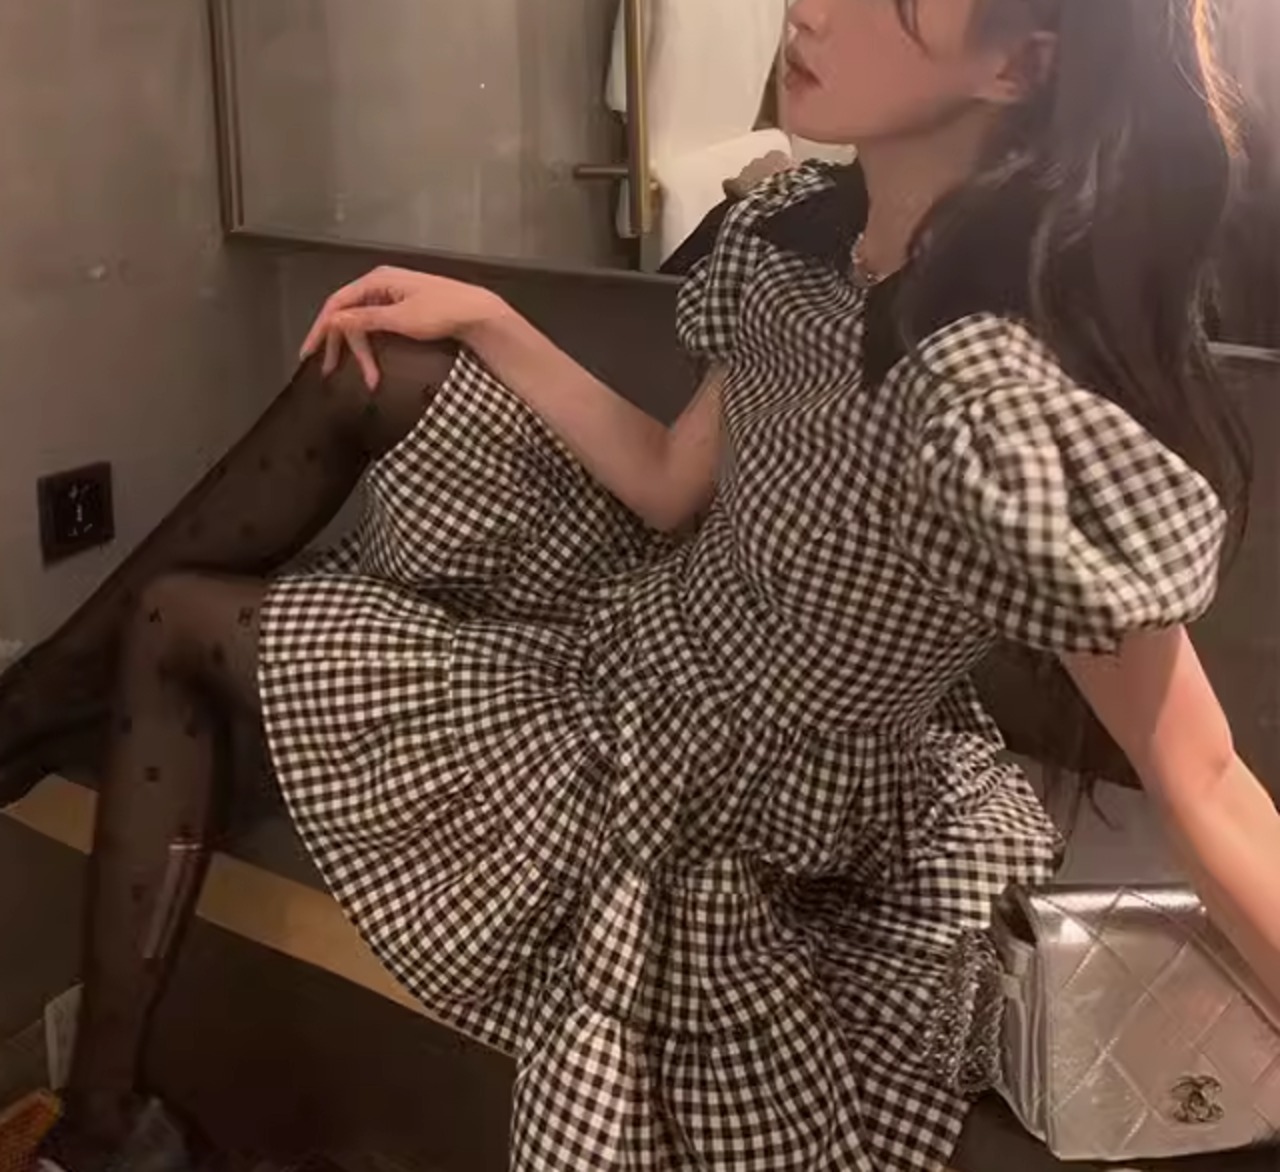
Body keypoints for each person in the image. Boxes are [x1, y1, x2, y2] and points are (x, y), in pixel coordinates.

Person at [2, 2, 1279, 1170]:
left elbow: (1202, 774)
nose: (807, 7)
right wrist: (490, 317)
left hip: (724, 774)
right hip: (651, 618)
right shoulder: (805, 241)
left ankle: (102, 1099)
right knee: (375, 363)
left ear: (1020, 66)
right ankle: (43, 719)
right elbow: (671, 481)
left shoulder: (987, 395)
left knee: (174, 619)